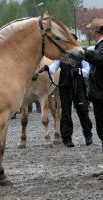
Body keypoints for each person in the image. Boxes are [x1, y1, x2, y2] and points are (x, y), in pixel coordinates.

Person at [44, 34, 93, 147]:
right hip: (65, 87)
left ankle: (88, 135)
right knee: (65, 113)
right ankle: (67, 138)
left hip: (78, 87)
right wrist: (47, 69)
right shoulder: (61, 57)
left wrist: (79, 71)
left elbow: (87, 71)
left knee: (83, 111)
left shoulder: (82, 56)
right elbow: (53, 68)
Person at [82, 18, 103, 179]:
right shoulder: (99, 45)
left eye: (91, 30)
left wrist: (83, 52)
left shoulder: (101, 46)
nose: (91, 32)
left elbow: (99, 58)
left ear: (95, 32)